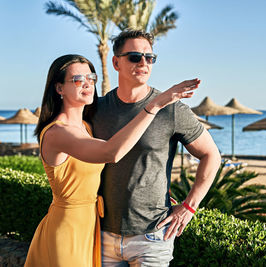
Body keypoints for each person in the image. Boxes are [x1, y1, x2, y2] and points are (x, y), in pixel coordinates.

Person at [24, 54, 200, 267]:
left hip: (93, 229)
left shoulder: (87, 127)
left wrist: (155, 195)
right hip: (68, 230)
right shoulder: (57, 133)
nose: (88, 84)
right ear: (59, 88)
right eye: (78, 79)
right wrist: (154, 105)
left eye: (91, 78)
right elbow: (112, 152)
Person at [89, 29, 221, 266]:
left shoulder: (171, 108)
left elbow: (211, 155)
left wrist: (190, 207)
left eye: (149, 58)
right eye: (134, 57)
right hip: (103, 235)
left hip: (151, 236)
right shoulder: (98, 109)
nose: (143, 62)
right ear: (116, 62)